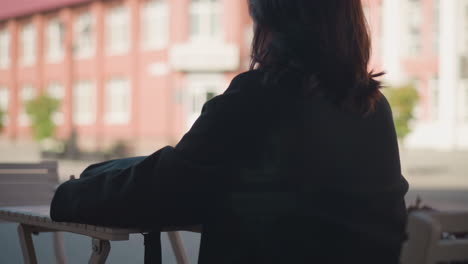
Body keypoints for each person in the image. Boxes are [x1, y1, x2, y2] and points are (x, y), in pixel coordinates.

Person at [51, 0, 409, 263]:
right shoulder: (374, 109)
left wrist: (69, 195)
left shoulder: (261, 97)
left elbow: (165, 189)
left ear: (277, 26)